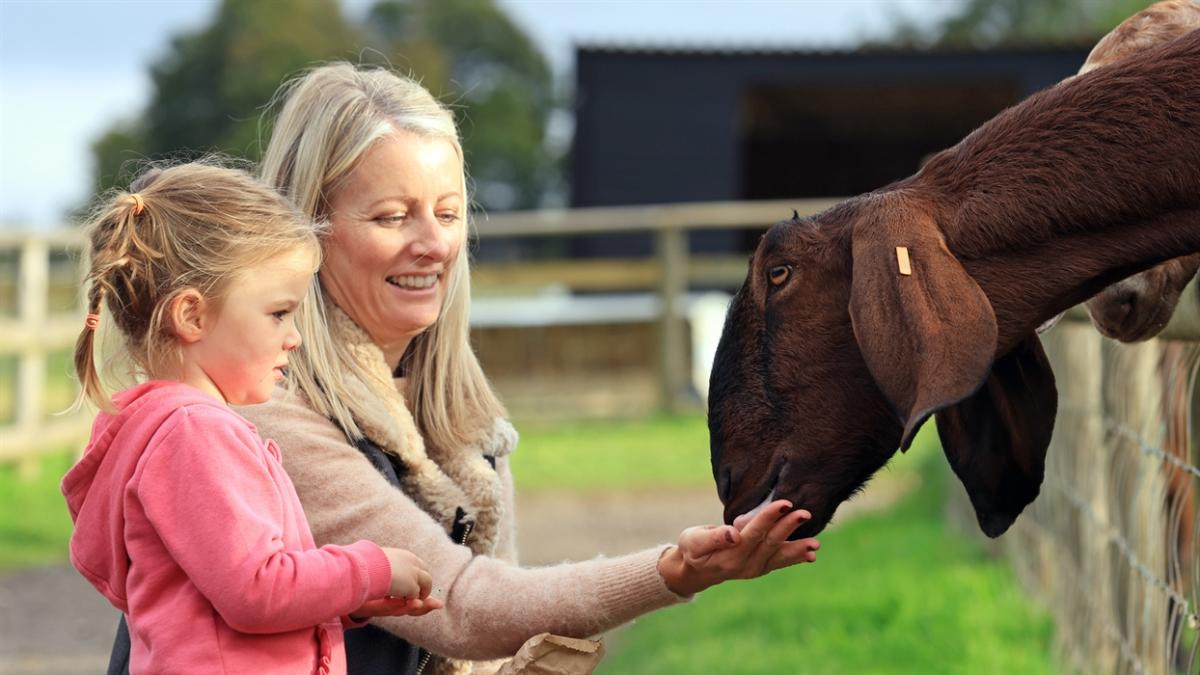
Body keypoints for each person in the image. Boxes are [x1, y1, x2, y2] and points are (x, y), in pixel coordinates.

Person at [106, 65, 822, 675]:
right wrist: (672, 570)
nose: (432, 244)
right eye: (391, 216)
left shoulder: (459, 420)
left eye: (447, 213)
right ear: (306, 230)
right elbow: (464, 604)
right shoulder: (262, 416)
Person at [63, 162, 443, 675]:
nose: (295, 337)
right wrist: (368, 570)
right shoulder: (196, 433)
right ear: (192, 316)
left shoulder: (164, 429)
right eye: (278, 313)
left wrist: (347, 601)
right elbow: (256, 590)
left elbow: (217, 600)